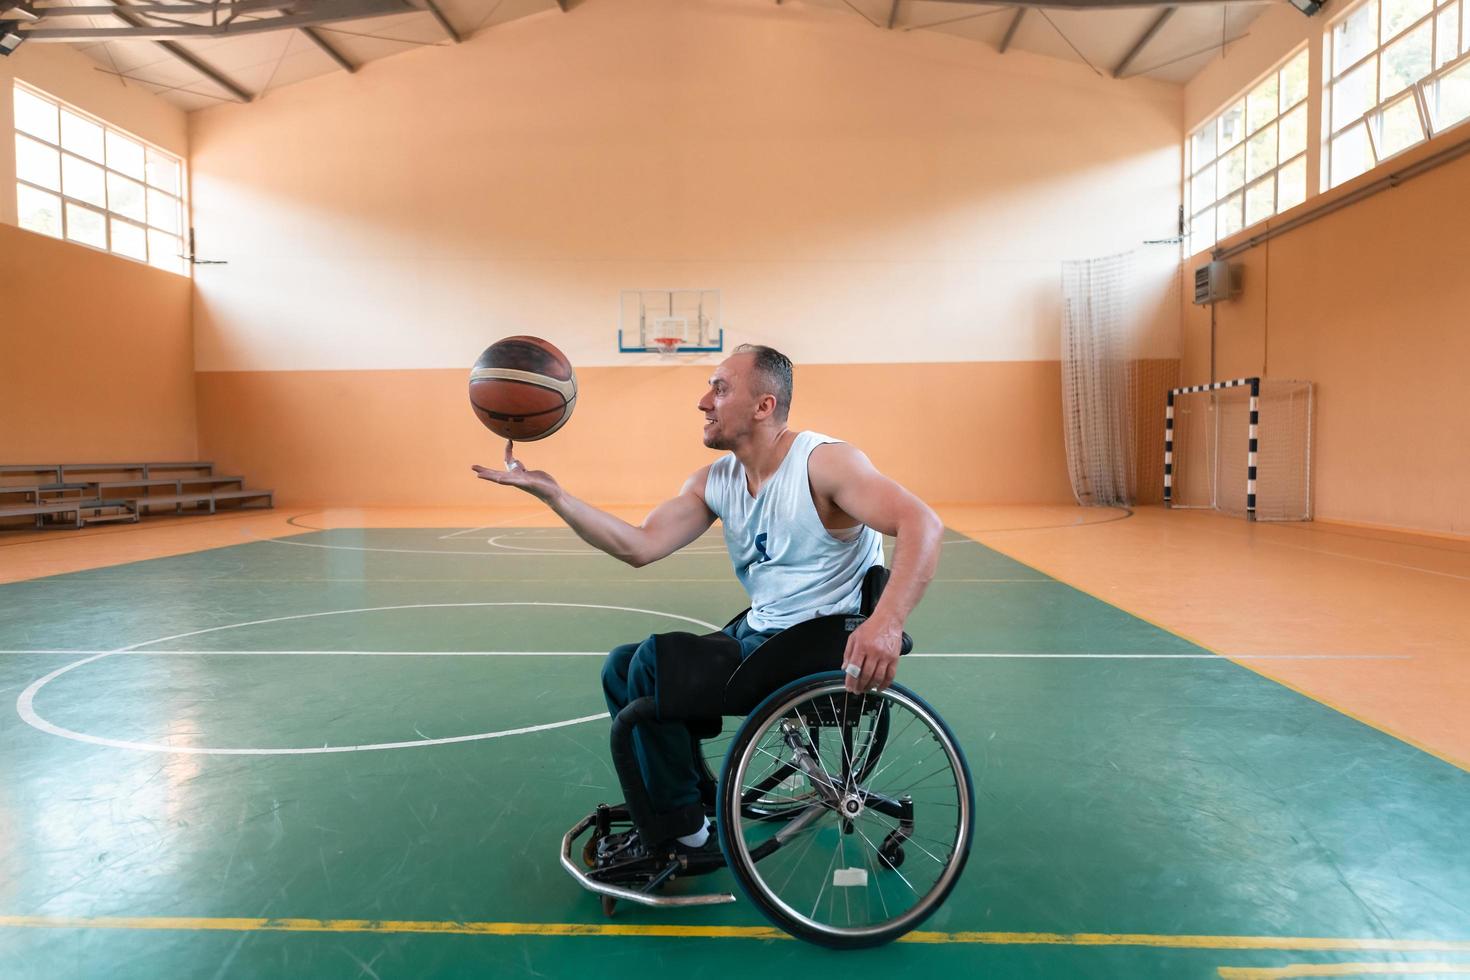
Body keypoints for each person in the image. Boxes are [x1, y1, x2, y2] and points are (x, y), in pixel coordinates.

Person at [472, 344, 943, 850]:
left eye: (720, 388)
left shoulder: (824, 463)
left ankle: (686, 836)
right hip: (766, 637)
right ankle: (686, 806)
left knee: (654, 664)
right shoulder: (717, 481)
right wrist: (556, 496)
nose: (703, 401)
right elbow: (639, 545)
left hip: (819, 643)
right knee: (621, 666)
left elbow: (921, 523)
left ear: (764, 406)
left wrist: (887, 622)